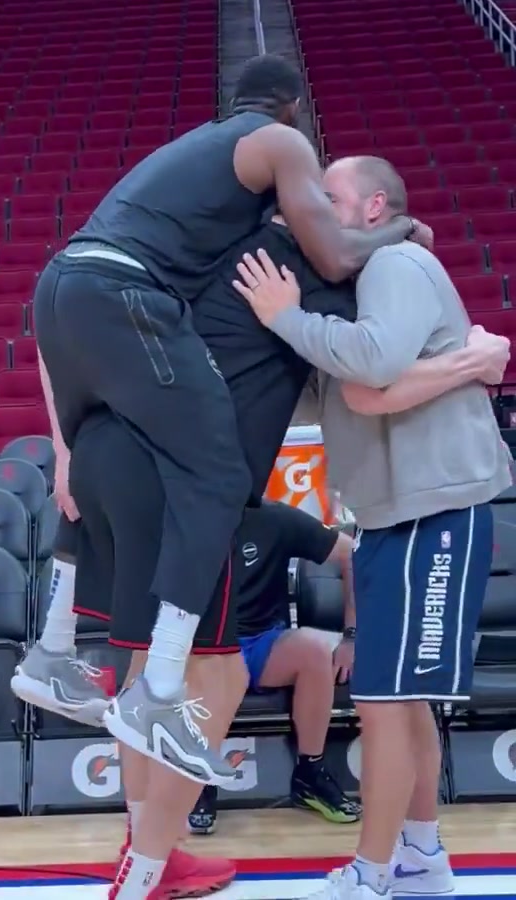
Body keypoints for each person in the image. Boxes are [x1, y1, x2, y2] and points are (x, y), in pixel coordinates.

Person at [28, 212, 508, 900]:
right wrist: (472, 355)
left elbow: (57, 324)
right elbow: (366, 380)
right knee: (216, 676)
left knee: (149, 676)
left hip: (120, 468)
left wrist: (66, 448)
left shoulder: (159, 273)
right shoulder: (281, 270)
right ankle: (150, 866)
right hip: (190, 489)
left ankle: (154, 852)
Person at [12, 51, 433, 788]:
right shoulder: (278, 144)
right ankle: (157, 697)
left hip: (61, 294)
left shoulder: (199, 177)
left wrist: (62, 448)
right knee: (218, 476)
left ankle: (51, 652)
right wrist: (404, 231)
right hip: (121, 299)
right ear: (292, 110)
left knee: (101, 449)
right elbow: (339, 265)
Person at [233, 154, 513, 900]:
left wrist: (285, 317)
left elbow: (374, 364)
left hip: (434, 512)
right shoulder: (360, 286)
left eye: (329, 197)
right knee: (400, 698)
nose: (314, 209)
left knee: (385, 702)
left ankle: (372, 872)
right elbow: (352, 393)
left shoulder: (394, 263)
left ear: (374, 207)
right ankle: (421, 855)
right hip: (395, 516)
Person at [189, 500, 360, 836]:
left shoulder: (276, 518)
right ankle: (197, 778)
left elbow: (353, 554)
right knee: (190, 663)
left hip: (264, 642)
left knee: (314, 652)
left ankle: (310, 774)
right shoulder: (185, 516)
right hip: (209, 646)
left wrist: (352, 635)